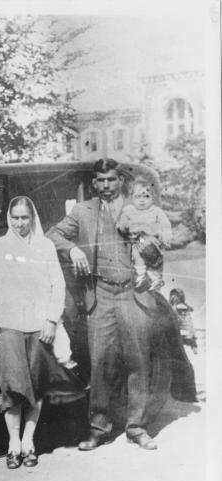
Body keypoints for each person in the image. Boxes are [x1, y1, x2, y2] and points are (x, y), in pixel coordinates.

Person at [46, 158, 160, 451]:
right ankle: (99, 427)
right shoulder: (82, 212)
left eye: (111, 179)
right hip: (101, 295)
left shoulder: (137, 208)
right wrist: (72, 249)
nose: (106, 185)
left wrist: (149, 252)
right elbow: (51, 236)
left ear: (120, 181)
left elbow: (158, 251)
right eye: (100, 180)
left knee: (138, 361)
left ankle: (137, 427)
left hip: (133, 294)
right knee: (100, 363)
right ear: (94, 183)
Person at [0, 196, 66, 469]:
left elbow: (58, 285)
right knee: (13, 387)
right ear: (9, 218)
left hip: (40, 327)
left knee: (36, 387)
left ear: (33, 218)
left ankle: (29, 442)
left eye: (24, 218)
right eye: (15, 218)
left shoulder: (45, 246)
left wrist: (52, 320)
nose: (20, 223)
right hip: (9, 326)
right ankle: (13, 444)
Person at [116, 178, 173, 292]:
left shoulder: (156, 211)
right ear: (132, 198)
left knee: (154, 260)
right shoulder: (128, 210)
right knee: (137, 255)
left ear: (152, 198)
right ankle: (141, 276)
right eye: (138, 197)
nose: (142, 200)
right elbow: (121, 224)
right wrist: (124, 225)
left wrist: (165, 237)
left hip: (153, 241)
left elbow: (166, 225)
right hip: (137, 241)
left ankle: (156, 279)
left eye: (146, 196)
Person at [169, 288, 198, 354]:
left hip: (182, 331)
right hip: (181, 330)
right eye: (173, 297)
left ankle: (193, 347)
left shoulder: (181, 307)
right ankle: (193, 347)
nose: (175, 298)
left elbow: (186, 321)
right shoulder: (175, 306)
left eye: (176, 297)